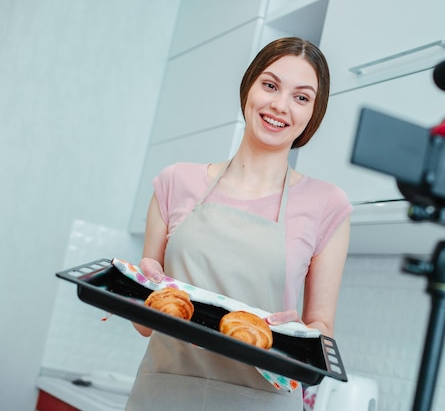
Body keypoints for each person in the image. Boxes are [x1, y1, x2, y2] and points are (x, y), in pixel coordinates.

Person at [125, 37, 352, 411]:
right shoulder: (176, 182)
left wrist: (301, 336)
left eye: (301, 97)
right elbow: (145, 325)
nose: (280, 105)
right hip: (163, 396)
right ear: (249, 87)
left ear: (314, 113)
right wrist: (145, 285)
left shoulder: (328, 204)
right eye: (270, 85)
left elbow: (322, 330)